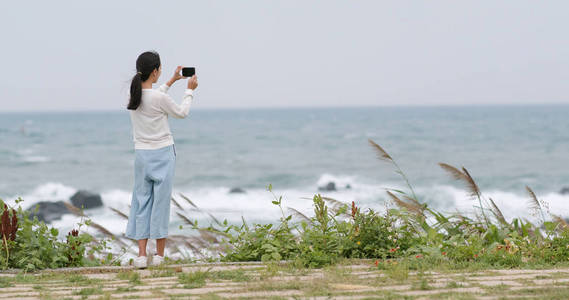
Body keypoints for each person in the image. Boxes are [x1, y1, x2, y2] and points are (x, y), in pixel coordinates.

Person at [125, 51, 198, 268]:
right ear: (155, 71)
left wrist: (171, 80)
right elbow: (181, 112)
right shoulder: (159, 98)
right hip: (164, 154)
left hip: (142, 156)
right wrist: (189, 91)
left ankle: (141, 256)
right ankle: (158, 256)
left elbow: (154, 98)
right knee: (161, 203)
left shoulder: (134, 97)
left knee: (142, 202)